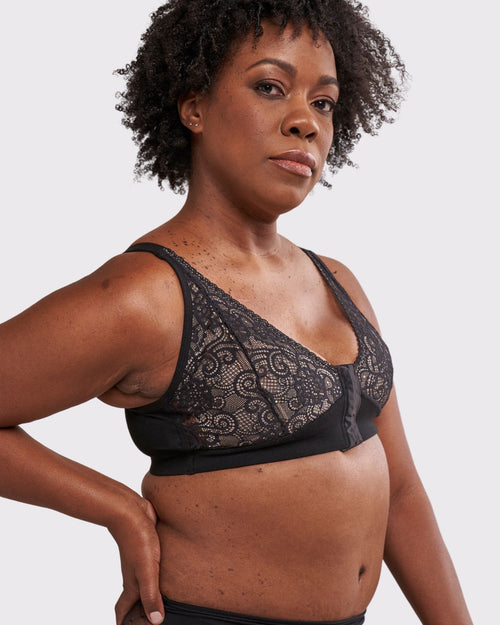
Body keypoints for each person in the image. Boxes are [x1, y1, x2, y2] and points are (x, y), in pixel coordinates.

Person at [0, 1, 474, 624]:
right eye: (270, 88)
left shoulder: (339, 285)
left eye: (324, 102)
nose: (305, 123)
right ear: (193, 106)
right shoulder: (147, 295)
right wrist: (116, 508)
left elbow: (403, 493)